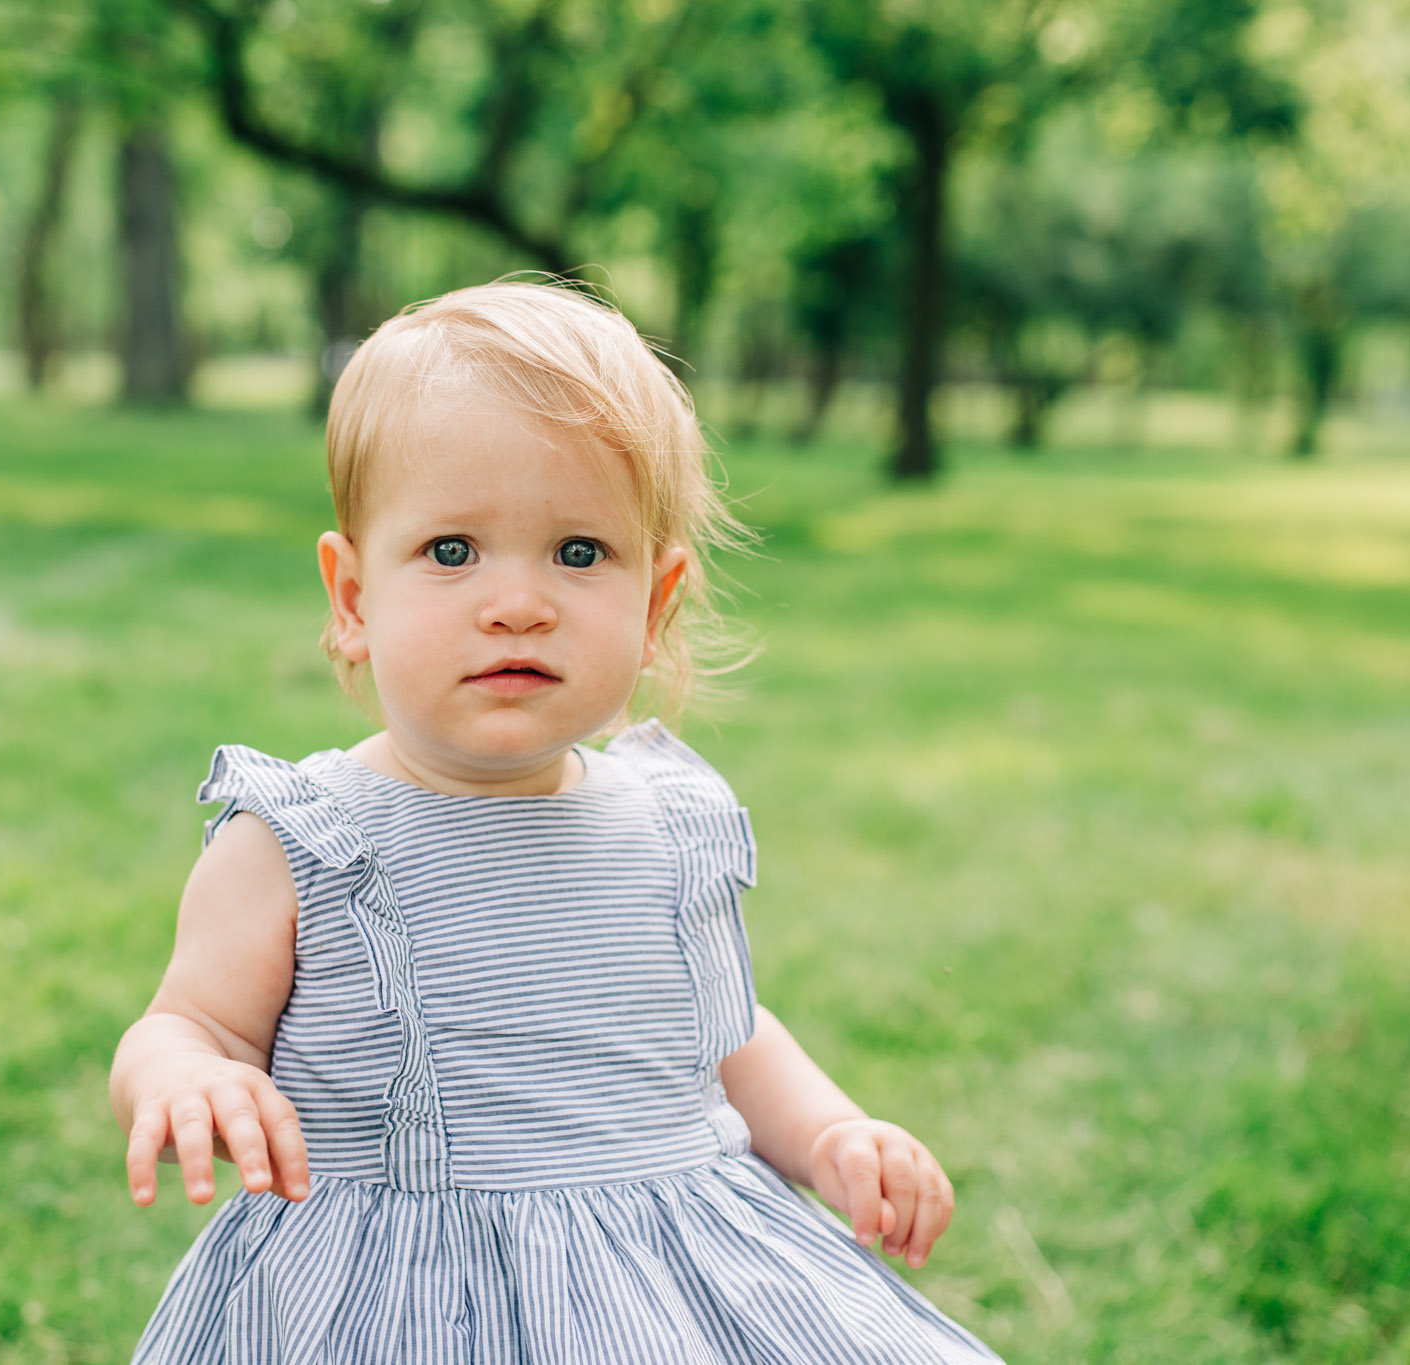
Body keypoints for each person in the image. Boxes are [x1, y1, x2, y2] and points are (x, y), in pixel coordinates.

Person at [110, 279, 1003, 1363]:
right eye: (451, 552)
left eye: (579, 554)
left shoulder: (669, 827)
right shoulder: (302, 842)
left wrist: (827, 1134)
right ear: (350, 600)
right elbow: (188, 1022)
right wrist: (189, 1074)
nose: (517, 602)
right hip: (395, 1299)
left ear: (654, 603)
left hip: (669, 1283)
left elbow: (723, 1036)